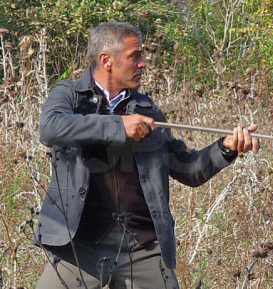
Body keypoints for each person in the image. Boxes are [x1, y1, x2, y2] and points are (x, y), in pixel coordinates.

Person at [35, 22, 259, 289]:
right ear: (106, 60)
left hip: (143, 246)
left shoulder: (146, 109)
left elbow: (188, 170)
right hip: (80, 245)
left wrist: (226, 147)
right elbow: (50, 129)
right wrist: (119, 126)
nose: (143, 64)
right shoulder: (69, 95)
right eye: (135, 56)